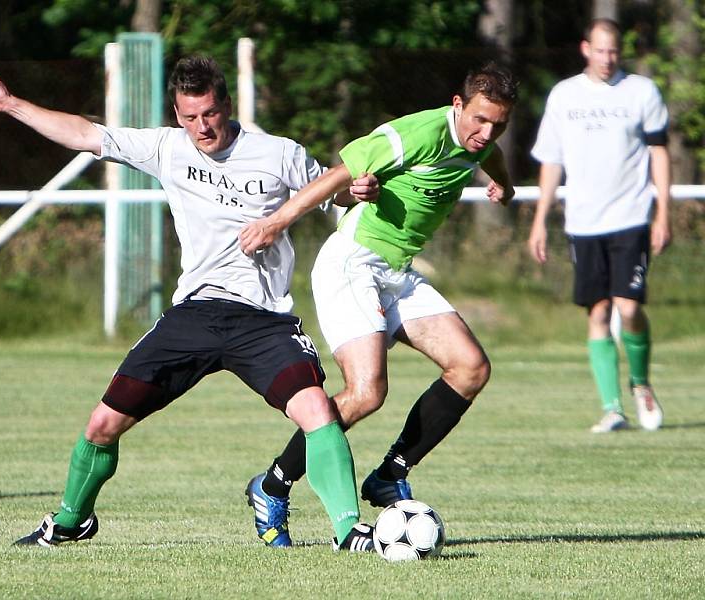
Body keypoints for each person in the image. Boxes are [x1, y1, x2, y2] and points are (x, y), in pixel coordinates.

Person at [0, 56, 381, 551]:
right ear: (176, 112)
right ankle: (71, 519)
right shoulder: (167, 147)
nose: (201, 127)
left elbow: (330, 192)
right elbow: (84, 133)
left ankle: (348, 530)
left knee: (317, 409)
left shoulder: (277, 153)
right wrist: (12, 104)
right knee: (102, 425)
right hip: (196, 313)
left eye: (209, 113)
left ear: (226, 105)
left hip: (264, 319)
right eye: (189, 117)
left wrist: (355, 191)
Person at [239, 62, 518, 546]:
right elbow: (336, 176)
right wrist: (277, 222)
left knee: (470, 367)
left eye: (498, 125)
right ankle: (272, 485)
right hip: (353, 264)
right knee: (366, 392)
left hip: (397, 273)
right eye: (479, 120)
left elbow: (488, 155)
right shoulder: (415, 134)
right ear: (458, 105)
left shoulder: (481, 138)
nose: (486, 132)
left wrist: (505, 184)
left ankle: (390, 473)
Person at [528, 18, 671, 434]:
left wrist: (662, 212)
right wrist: (539, 221)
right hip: (583, 223)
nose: (607, 59)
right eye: (601, 50)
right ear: (586, 48)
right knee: (598, 310)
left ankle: (641, 383)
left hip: (631, 217)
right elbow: (551, 162)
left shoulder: (641, 92)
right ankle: (612, 409)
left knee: (628, 308)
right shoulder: (564, 96)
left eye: (614, 52)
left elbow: (659, 153)